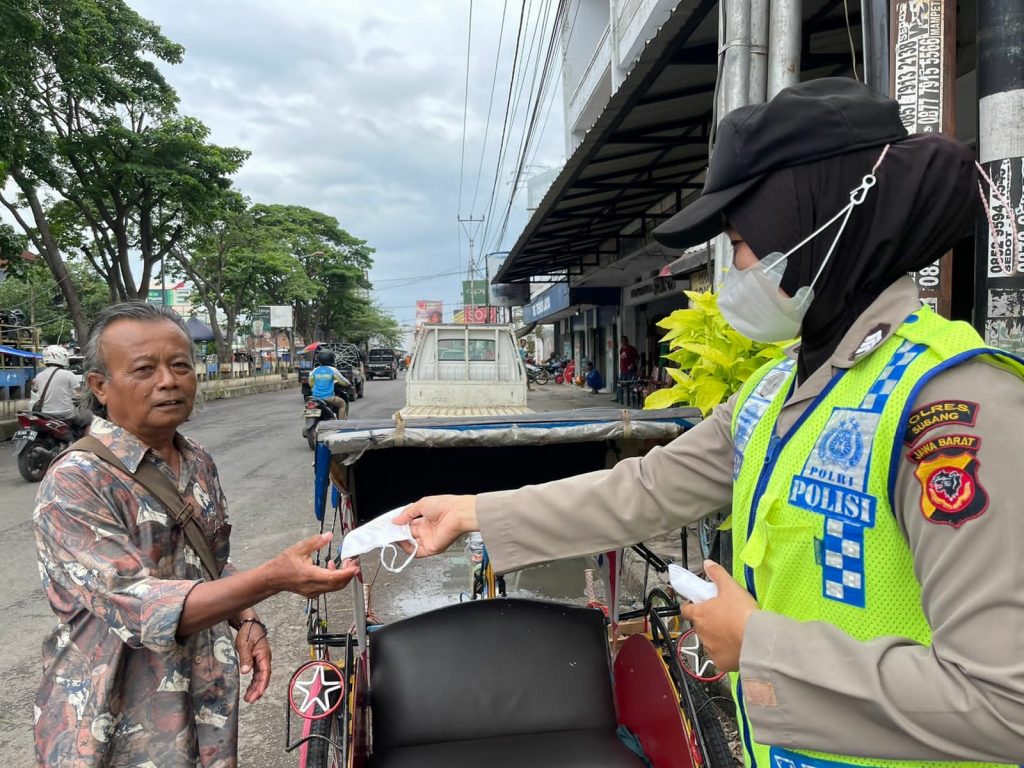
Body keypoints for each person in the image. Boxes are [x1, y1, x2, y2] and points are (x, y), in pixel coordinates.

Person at [395, 78, 1024, 765]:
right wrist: (473, 512)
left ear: (818, 221)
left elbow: (1005, 705)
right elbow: (645, 489)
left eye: (741, 242)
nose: (736, 271)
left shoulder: (950, 405)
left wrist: (760, 647)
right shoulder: (776, 390)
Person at [33, 303, 359, 766]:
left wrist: (247, 617)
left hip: (203, 705)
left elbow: (211, 561)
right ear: (100, 386)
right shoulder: (77, 480)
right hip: (112, 721)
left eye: (180, 365)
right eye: (144, 369)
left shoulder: (197, 460)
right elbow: (142, 608)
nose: (168, 381)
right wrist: (273, 579)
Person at [30, 345, 80, 418]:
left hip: (45, 413)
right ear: (61, 357)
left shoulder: (39, 376)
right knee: (87, 417)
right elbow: (78, 393)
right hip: (66, 413)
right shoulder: (69, 374)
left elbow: (35, 391)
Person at [308, 348, 351, 418]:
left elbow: (310, 383)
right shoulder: (332, 370)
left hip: (315, 397)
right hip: (328, 398)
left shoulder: (315, 370)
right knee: (342, 404)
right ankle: (341, 423)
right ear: (331, 359)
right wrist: (348, 384)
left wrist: (314, 387)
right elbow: (343, 381)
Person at [615, 336, 639, 403]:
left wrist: (632, 364)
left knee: (632, 385)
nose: (622, 342)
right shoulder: (621, 349)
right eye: (621, 341)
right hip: (623, 370)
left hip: (630, 370)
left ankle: (633, 398)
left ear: (627, 341)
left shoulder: (631, 349)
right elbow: (622, 360)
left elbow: (637, 358)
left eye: (624, 340)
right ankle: (618, 398)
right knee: (619, 384)